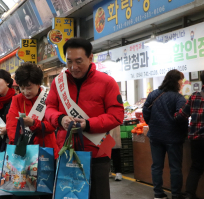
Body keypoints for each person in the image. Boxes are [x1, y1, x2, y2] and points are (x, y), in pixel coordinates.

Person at [45, 38, 124, 199]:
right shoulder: (58, 83)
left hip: (97, 154)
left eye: (79, 61)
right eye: (69, 61)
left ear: (90, 58)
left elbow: (116, 116)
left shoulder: (107, 82)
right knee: (67, 195)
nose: (73, 67)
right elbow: (49, 108)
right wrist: (60, 119)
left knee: (98, 194)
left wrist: (88, 124)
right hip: (67, 153)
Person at [143, 69, 187, 199]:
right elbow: (182, 116)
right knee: (175, 168)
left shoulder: (153, 94)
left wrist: (152, 124)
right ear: (176, 81)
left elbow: (146, 111)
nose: (182, 83)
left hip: (155, 136)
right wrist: (183, 132)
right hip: (173, 138)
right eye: (181, 80)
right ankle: (176, 194)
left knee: (156, 166)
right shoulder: (179, 98)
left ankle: (158, 194)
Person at [174, 71, 204, 199]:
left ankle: (189, 195)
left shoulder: (194, 96)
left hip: (197, 138)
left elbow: (181, 115)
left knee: (196, 167)